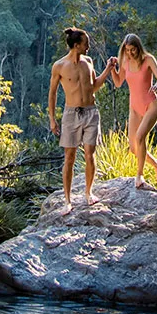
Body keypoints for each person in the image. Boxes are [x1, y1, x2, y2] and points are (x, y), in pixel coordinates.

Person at [47, 26, 109, 205]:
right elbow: (52, 93)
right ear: (76, 45)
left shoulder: (88, 62)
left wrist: (107, 69)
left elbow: (94, 86)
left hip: (90, 111)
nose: (88, 46)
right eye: (85, 43)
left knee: (90, 154)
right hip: (71, 114)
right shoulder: (59, 66)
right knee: (70, 156)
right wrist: (52, 119)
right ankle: (67, 200)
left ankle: (88, 193)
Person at [104, 33, 157, 187]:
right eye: (127, 50)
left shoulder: (148, 59)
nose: (130, 53)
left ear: (138, 48)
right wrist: (112, 68)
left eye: (133, 50)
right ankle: (156, 164)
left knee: (139, 139)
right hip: (135, 108)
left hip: (151, 105)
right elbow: (118, 83)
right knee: (133, 148)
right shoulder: (125, 61)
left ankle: (140, 176)